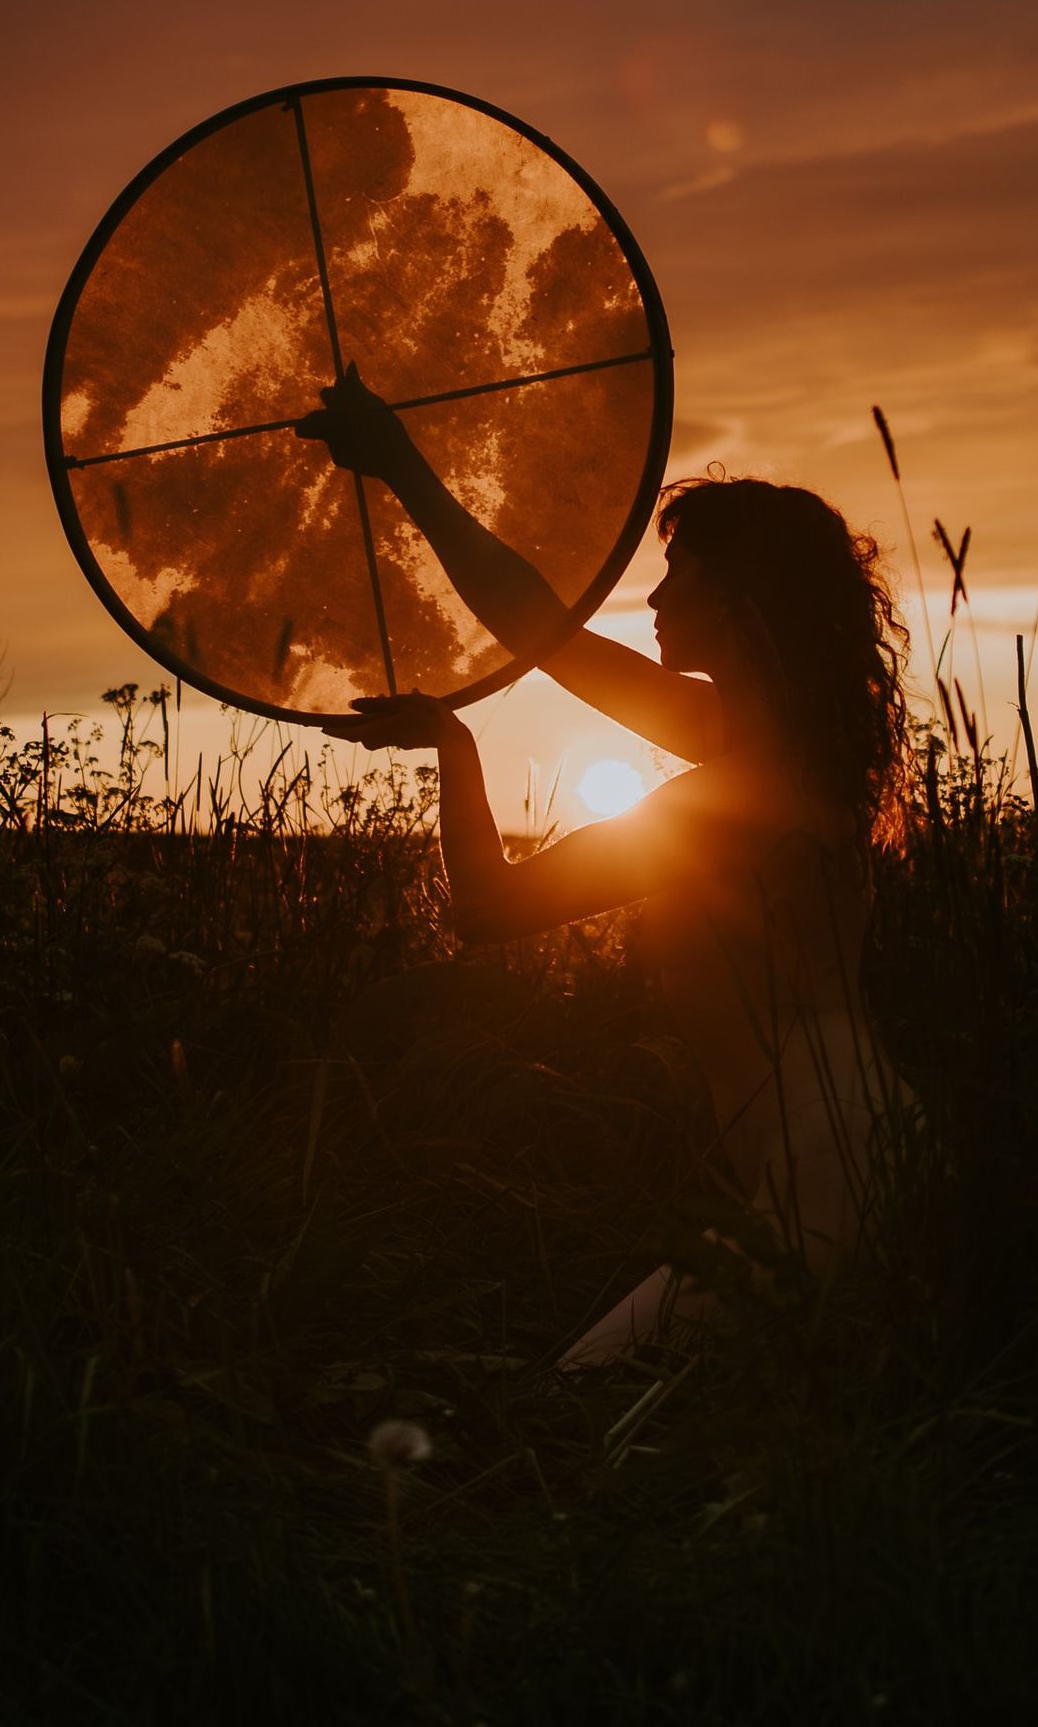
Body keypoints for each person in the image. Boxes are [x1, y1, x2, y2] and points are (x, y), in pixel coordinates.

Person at [296, 366, 910, 1367]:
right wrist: (401, 465)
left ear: (736, 592)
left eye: (682, 573)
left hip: (827, 1177)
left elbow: (488, 911)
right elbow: (539, 627)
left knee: (589, 1420)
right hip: (872, 1151)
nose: (657, 594)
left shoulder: (732, 795)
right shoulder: (772, 745)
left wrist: (457, 749)